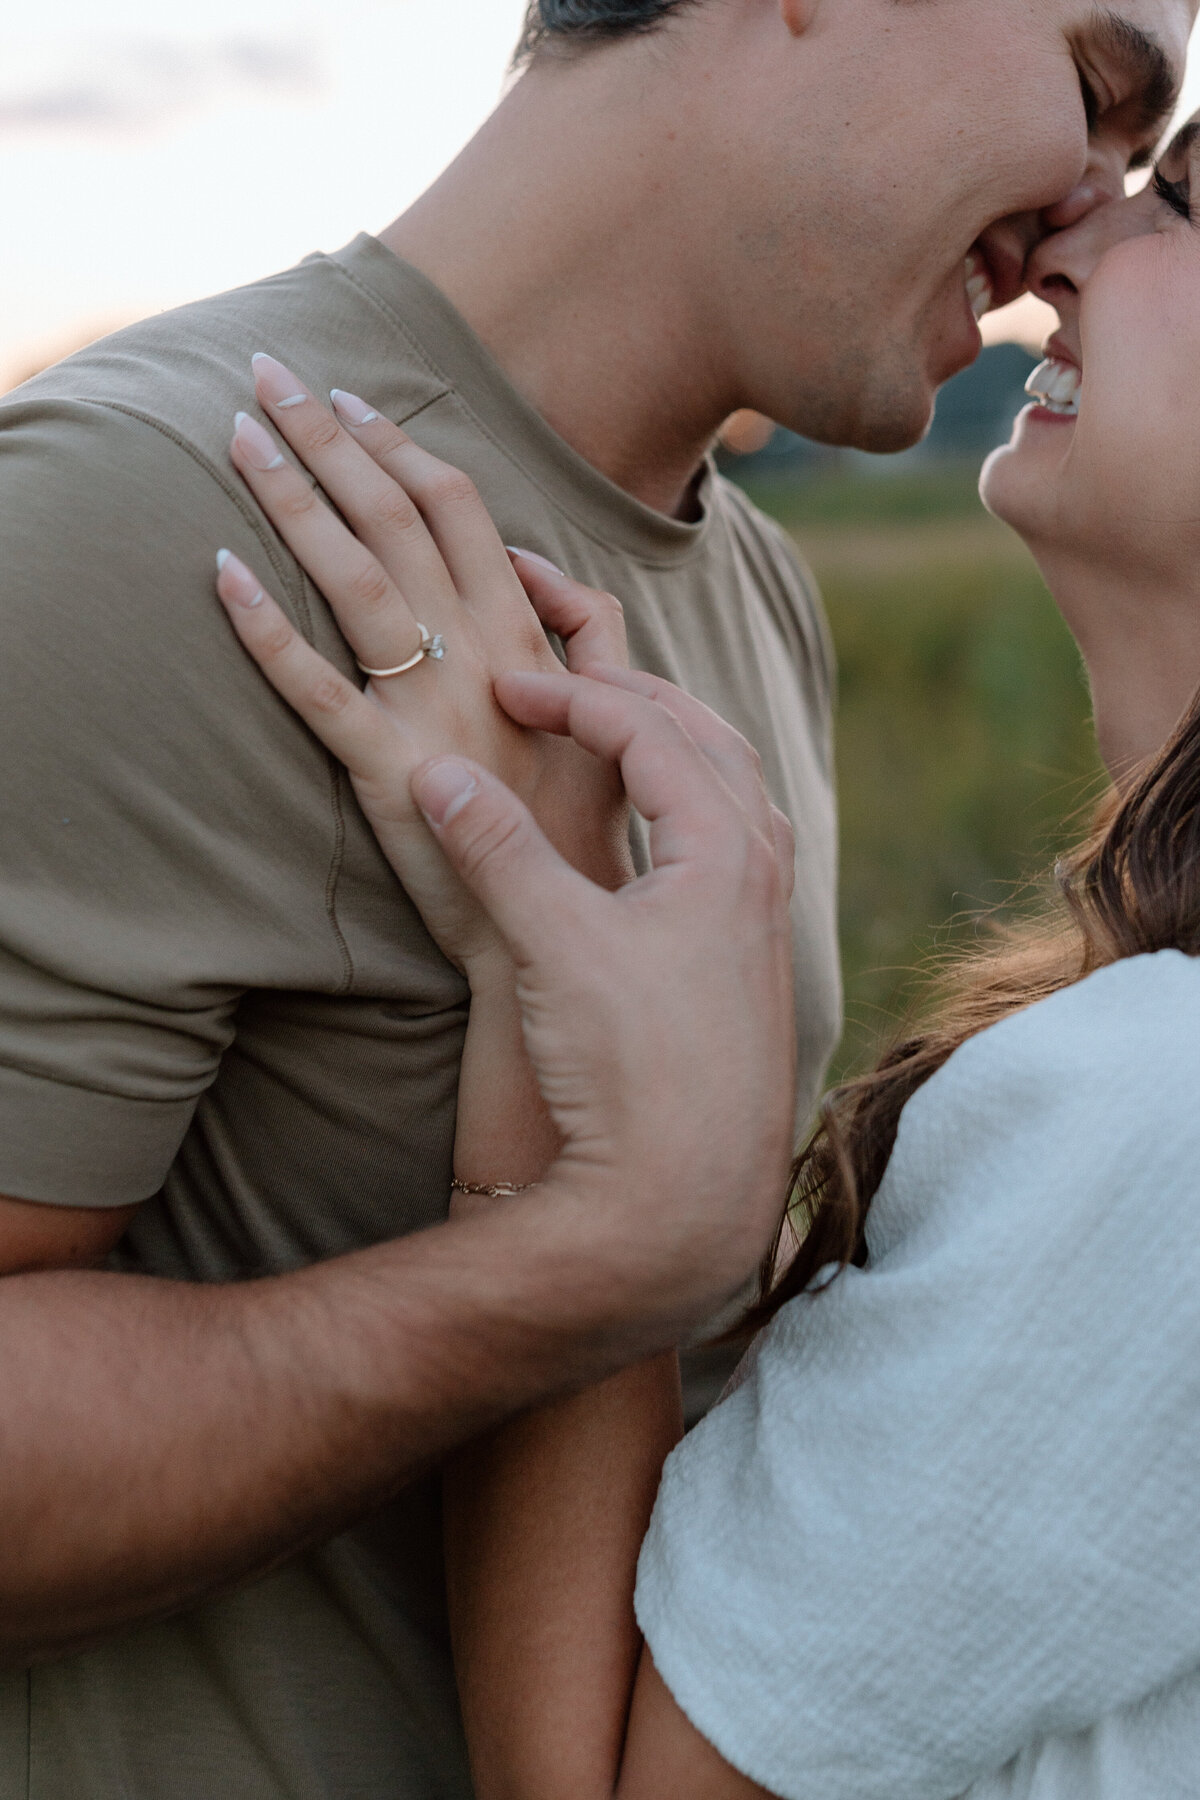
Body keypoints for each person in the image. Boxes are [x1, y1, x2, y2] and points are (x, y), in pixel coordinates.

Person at [0, 0, 1189, 1793]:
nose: (1080, 216)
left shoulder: (755, 591)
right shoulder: (138, 514)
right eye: (1097, 93)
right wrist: (584, 1265)